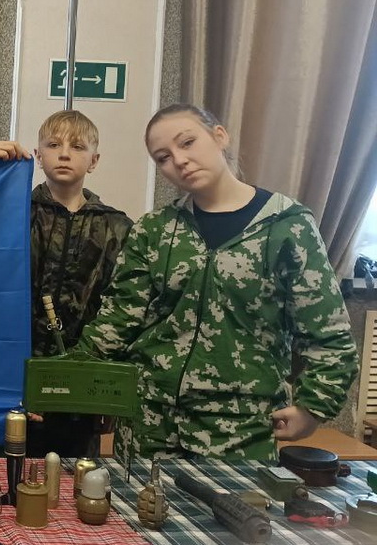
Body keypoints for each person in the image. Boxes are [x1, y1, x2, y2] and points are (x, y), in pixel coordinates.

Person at [71, 104, 357, 460]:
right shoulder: (155, 230)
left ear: (219, 136)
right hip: (149, 426)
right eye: (163, 157)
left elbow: (329, 335)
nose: (179, 160)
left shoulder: (288, 227)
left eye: (187, 142)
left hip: (240, 430)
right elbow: (116, 322)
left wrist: (313, 408)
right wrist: (53, 383)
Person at [0, 110, 132, 456]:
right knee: (2, 471)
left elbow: (124, 311)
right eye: (53, 145)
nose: (64, 154)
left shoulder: (116, 228)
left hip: (79, 385)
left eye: (77, 146)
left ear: (94, 161)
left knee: (71, 475)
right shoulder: (13, 212)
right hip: (8, 379)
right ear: (37, 155)